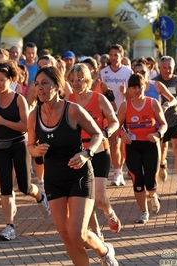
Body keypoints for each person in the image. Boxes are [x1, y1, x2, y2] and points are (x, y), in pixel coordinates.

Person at [28, 66, 118, 265]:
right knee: (66, 235)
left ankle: (104, 252)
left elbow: (97, 134)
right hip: (54, 179)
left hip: (79, 176)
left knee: (77, 233)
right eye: (37, 84)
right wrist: (36, 151)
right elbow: (30, 145)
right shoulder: (34, 115)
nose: (40, 88)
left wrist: (87, 153)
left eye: (44, 83)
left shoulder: (73, 110)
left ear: (57, 86)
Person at [0, 61, 51, 240]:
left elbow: (26, 127)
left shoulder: (18, 99)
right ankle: (9, 227)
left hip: (19, 146)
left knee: (24, 186)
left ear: (10, 80)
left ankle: (40, 197)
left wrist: (5, 122)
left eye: (1, 80)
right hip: (1, 147)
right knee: (5, 187)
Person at [67, 63, 121, 237]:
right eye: (73, 80)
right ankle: (96, 232)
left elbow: (114, 121)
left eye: (80, 80)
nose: (76, 84)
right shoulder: (68, 101)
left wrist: (106, 132)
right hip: (78, 152)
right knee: (85, 198)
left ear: (88, 80)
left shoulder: (99, 99)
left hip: (98, 150)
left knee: (98, 198)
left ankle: (109, 211)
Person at [117, 73, 167, 224]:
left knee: (150, 181)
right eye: (134, 88)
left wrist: (158, 134)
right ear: (129, 90)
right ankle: (143, 211)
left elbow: (163, 124)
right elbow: (116, 125)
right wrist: (122, 133)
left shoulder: (152, 103)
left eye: (140, 87)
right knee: (137, 181)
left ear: (145, 87)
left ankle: (153, 195)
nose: (137, 90)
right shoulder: (125, 106)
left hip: (150, 144)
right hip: (133, 146)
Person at [153, 56, 177, 194]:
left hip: (176, 119)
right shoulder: (155, 82)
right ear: (160, 67)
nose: (167, 70)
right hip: (160, 121)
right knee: (160, 151)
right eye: (164, 67)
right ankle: (162, 167)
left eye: (170, 67)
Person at [100, 44, 133, 186]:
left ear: (121, 56)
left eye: (116, 55)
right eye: (111, 55)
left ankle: (120, 171)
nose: (113, 58)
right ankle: (117, 173)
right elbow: (100, 92)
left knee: (122, 145)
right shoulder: (104, 72)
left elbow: (132, 94)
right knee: (114, 142)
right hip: (110, 113)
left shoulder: (128, 72)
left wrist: (125, 91)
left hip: (124, 111)